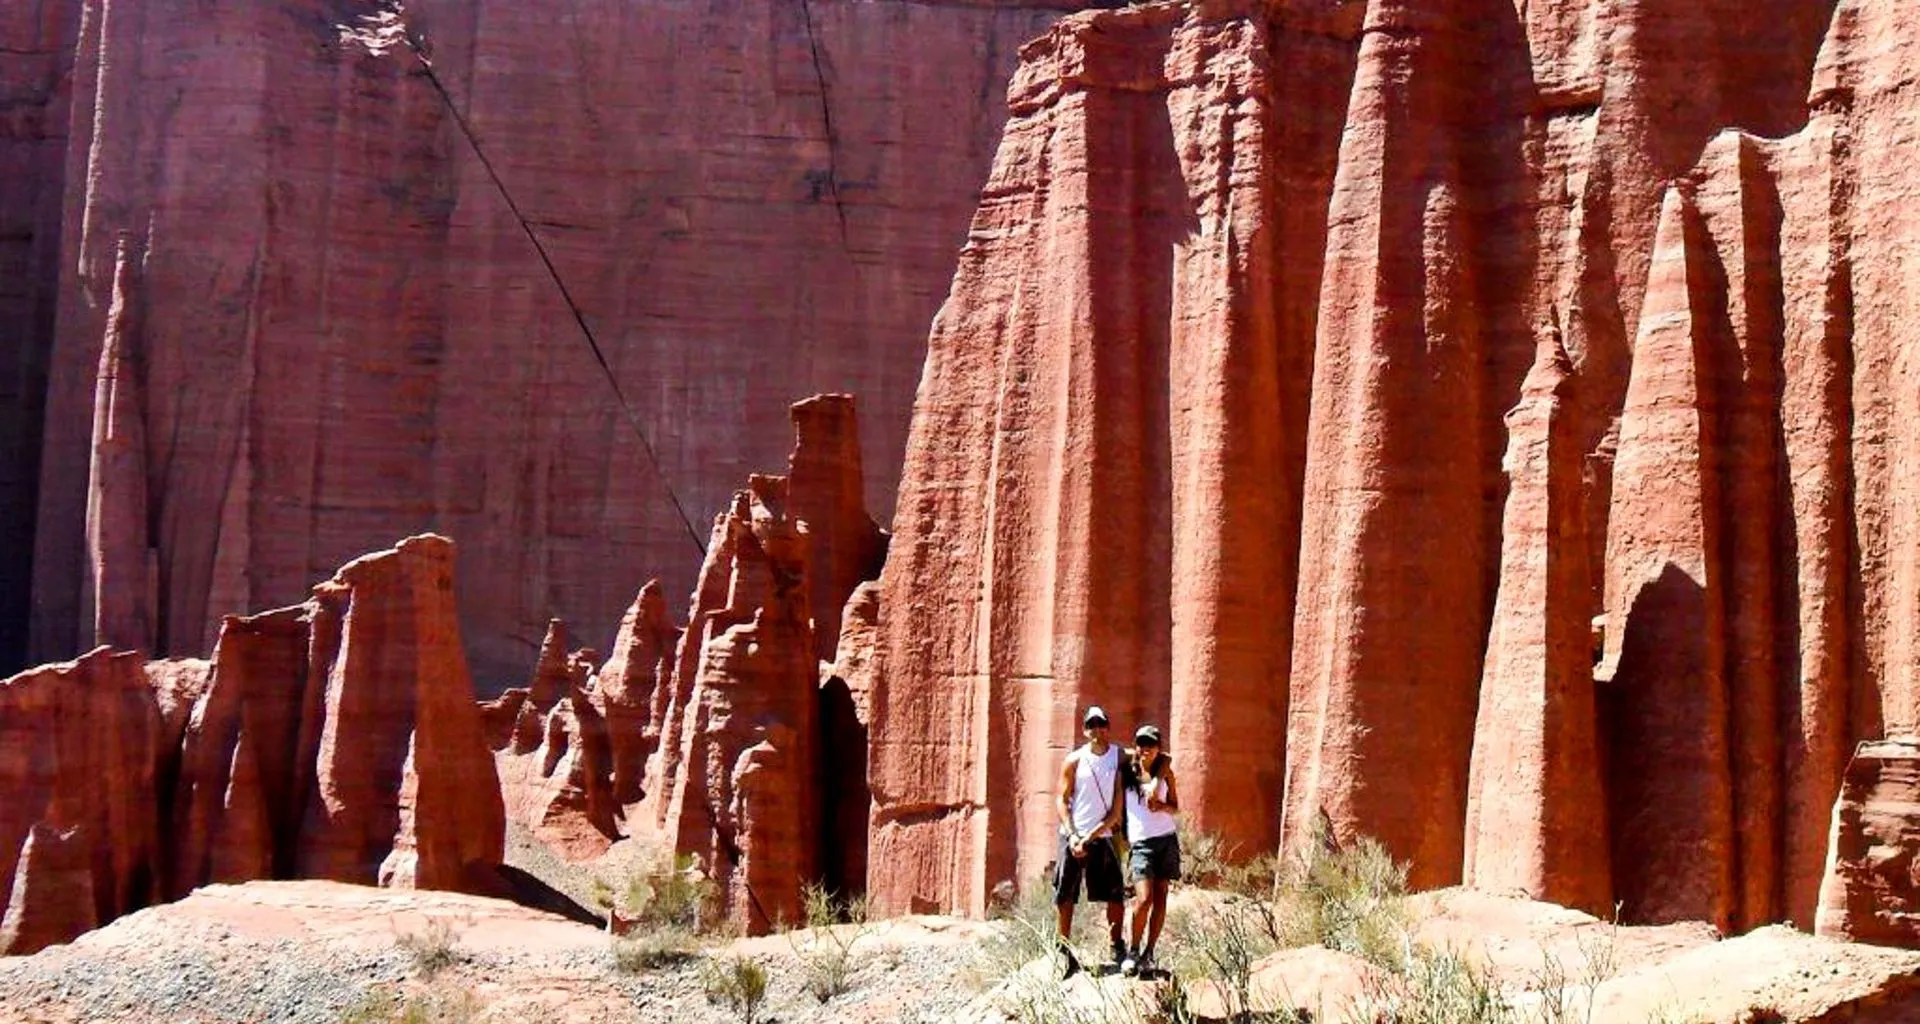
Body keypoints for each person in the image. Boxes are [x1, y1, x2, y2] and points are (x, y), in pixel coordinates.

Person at [1054, 704, 1128, 979]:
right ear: (1085, 730)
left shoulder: (1119, 757)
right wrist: (1073, 834)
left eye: (1101, 724)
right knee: (1065, 893)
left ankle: (1116, 946)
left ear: (1108, 727)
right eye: (1091, 725)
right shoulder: (1073, 760)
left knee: (1115, 894)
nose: (1097, 729)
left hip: (1103, 835)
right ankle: (1062, 948)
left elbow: (1116, 811)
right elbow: (1061, 799)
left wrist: (1089, 837)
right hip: (1072, 835)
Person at [1121, 723, 1180, 977]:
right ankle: (1133, 950)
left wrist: (1161, 805)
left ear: (1158, 747)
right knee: (1143, 899)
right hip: (1141, 843)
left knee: (1161, 898)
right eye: (1142, 743)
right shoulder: (1127, 770)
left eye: (1151, 744)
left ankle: (1149, 953)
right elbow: (1113, 750)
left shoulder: (1167, 773)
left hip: (1166, 838)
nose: (1146, 748)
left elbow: (1176, 807)